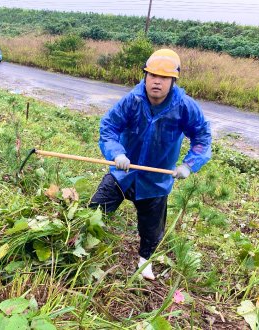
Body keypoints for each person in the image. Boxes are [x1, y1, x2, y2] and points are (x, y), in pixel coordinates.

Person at [88, 49, 212, 280]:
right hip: (123, 172)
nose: (157, 81)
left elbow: (202, 138)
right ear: (145, 76)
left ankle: (145, 262)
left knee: (152, 228)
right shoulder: (132, 101)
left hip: (156, 179)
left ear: (173, 80)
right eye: (153, 75)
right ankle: (82, 244)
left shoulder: (184, 106)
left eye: (164, 77)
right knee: (95, 211)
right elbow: (108, 128)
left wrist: (188, 165)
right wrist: (116, 153)